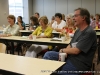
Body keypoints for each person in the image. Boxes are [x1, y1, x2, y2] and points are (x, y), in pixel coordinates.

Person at [43, 8, 97, 75]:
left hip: (79, 64)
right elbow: (71, 44)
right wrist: (65, 52)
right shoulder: (78, 31)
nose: (73, 18)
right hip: (70, 57)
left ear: (83, 18)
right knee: (48, 55)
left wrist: (63, 50)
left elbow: (76, 51)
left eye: (76, 16)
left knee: (56, 72)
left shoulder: (89, 32)